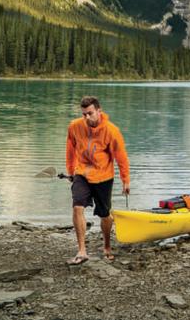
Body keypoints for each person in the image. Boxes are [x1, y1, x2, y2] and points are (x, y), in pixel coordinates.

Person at [65, 96, 130, 264]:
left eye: (90, 113)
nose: (87, 117)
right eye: (84, 114)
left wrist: (126, 180)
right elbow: (70, 150)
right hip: (82, 173)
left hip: (103, 176)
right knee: (77, 207)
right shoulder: (74, 126)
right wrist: (71, 171)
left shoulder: (111, 130)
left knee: (105, 214)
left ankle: (107, 246)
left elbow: (121, 156)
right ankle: (82, 251)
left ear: (99, 111)